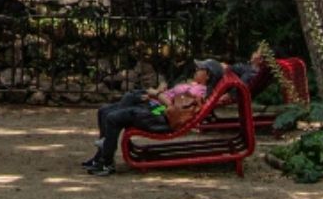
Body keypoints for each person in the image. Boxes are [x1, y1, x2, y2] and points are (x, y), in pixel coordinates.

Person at [81, 58, 225, 176]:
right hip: (157, 108)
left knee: (114, 116)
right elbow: (172, 99)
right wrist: (158, 93)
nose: (196, 70)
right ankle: (100, 155)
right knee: (104, 110)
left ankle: (106, 162)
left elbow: (173, 110)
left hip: (161, 116)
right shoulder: (193, 85)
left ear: (208, 75)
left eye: (200, 69)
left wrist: (156, 95)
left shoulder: (199, 92)